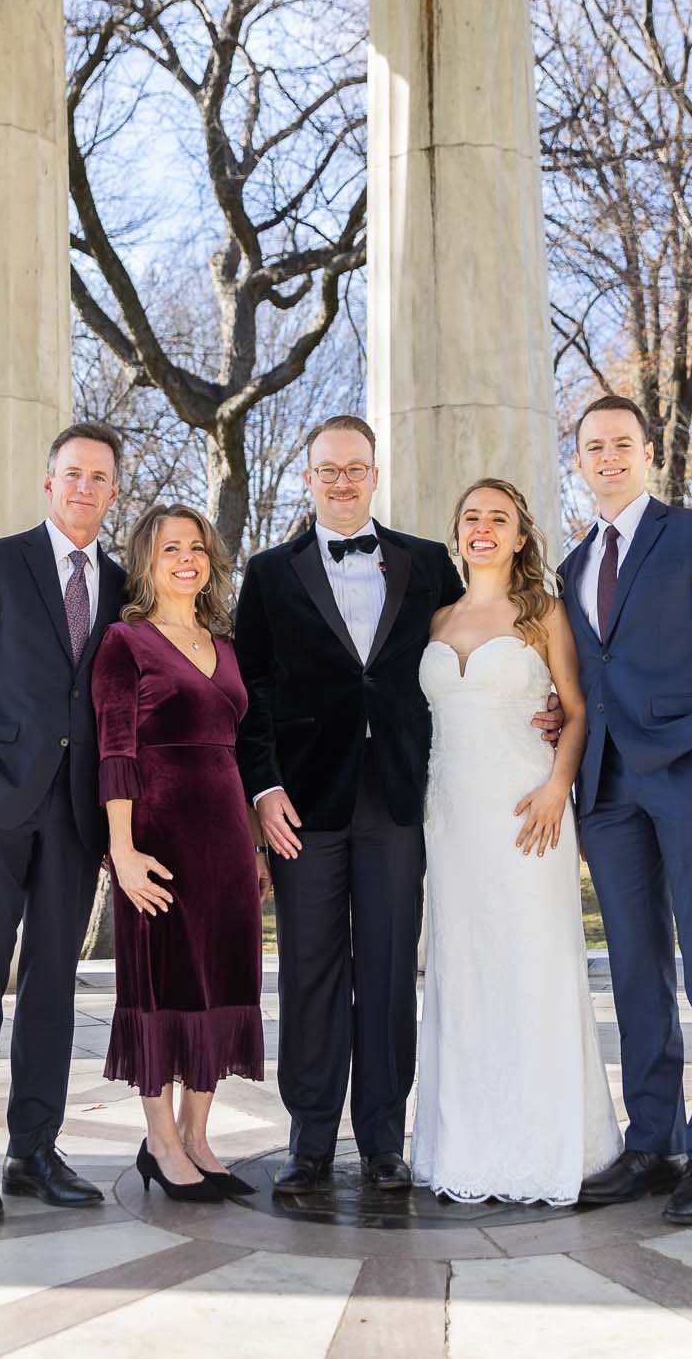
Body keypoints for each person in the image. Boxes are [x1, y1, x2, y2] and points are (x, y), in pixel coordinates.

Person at [232, 415, 463, 1197]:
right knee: (309, 969)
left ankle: (381, 1140)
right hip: (303, 804)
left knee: (392, 969)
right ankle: (308, 1138)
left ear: (374, 474)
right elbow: (249, 695)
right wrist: (262, 790)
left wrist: (539, 704)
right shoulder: (268, 574)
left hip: (400, 797)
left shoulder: (429, 564)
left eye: (354, 468)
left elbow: (468, 656)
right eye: (326, 469)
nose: (340, 480)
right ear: (308, 478)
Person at [563, 394, 692, 1225]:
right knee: (636, 971)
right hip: (608, 791)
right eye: (592, 447)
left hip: (689, 774)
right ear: (577, 461)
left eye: (622, 443)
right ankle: (654, 1140)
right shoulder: (574, 564)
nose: (607, 457)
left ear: (649, 452)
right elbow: (590, 677)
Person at [0, 423, 128, 1225]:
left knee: (51, 983)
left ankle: (33, 1148)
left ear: (112, 492)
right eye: (72, 473)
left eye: (99, 476)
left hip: (75, 812)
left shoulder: (119, 584)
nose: (84, 487)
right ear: (50, 484)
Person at [414, 479, 620, 1204]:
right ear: (458, 530)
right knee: (464, 976)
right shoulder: (435, 618)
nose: (483, 528)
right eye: (471, 516)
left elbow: (576, 708)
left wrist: (559, 785)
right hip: (452, 821)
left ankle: (545, 1145)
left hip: (527, 813)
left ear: (520, 535)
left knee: (533, 968)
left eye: (498, 519)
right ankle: (468, 1146)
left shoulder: (543, 613)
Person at [92, 504, 268, 1203]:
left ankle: (198, 1135)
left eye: (197, 547)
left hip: (226, 841)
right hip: (159, 844)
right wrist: (122, 851)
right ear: (147, 561)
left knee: (221, 986)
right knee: (163, 987)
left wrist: (253, 846)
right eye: (171, 549)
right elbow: (115, 751)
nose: (187, 559)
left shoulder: (225, 643)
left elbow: (240, 752)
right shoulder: (124, 642)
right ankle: (159, 1142)